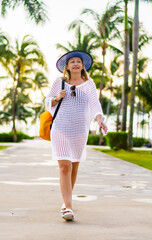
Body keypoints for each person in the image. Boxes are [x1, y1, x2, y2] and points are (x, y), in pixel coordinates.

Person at [44, 50, 108, 221]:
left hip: (80, 130)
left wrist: (100, 119)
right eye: (72, 61)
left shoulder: (89, 84)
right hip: (60, 128)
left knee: (74, 167)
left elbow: (95, 105)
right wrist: (57, 97)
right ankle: (68, 207)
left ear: (83, 65)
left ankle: (66, 202)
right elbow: (47, 102)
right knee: (64, 166)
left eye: (78, 61)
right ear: (67, 66)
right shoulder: (59, 82)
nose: (75, 63)